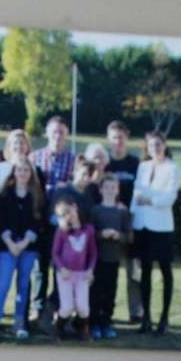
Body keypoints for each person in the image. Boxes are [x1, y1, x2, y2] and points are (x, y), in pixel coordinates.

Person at [0, 157, 43, 344]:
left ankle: (19, 323)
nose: (23, 173)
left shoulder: (36, 196)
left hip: (28, 247)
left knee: (24, 286)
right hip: (7, 247)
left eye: (27, 170)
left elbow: (38, 222)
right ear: (14, 172)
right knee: (3, 286)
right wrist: (10, 243)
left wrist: (24, 242)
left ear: (31, 174)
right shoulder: (4, 195)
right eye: (20, 170)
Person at [131, 130, 179, 337]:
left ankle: (164, 318)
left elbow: (169, 198)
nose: (155, 148)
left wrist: (150, 200)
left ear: (165, 145)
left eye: (158, 144)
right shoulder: (143, 167)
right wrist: (133, 218)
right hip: (142, 226)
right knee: (145, 273)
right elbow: (136, 195)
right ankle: (146, 318)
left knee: (166, 272)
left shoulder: (173, 168)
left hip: (162, 228)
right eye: (151, 145)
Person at [32, 116, 77, 321]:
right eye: (54, 131)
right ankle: (38, 307)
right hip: (41, 221)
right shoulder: (35, 158)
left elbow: (77, 190)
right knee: (40, 267)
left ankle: (58, 307)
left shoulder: (74, 160)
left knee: (61, 267)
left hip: (63, 225)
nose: (57, 136)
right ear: (47, 133)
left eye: (61, 132)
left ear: (66, 135)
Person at [101, 120, 143, 325]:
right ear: (108, 139)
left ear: (127, 138)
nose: (117, 141)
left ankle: (136, 311)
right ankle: (103, 309)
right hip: (108, 220)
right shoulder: (105, 163)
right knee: (106, 269)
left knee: (133, 270)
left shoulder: (135, 164)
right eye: (114, 137)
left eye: (121, 137)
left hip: (130, 221)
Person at [88, 174, 130, 341]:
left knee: (110, 292)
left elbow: (129, 236)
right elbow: (89, 234)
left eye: (113, 187)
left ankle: (107, 322)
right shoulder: (96, 210)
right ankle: (95, 323)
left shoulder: (122, 211)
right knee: (95, 292)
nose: (110, 190)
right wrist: (101, 234)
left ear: (118, 190)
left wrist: (118, 235)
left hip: (113, 259)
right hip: (96, 259)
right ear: (100, 190)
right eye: (106, 187)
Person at [49, 197, 97, 341]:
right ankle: (58, 328)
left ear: (75, 207)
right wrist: (61, 268)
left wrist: (90, 269)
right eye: (64, 215)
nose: (68, 216)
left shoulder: (88, 230)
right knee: (67, 307)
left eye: (69, 211)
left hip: (82, 274)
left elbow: (93, 252)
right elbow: (55, 253)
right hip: (65, 275)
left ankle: (82, 329)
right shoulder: (62, 231)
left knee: (83, 307)